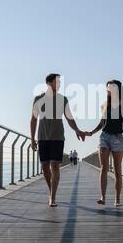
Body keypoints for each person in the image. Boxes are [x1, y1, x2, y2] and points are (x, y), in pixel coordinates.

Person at [30, 74, 86, 207]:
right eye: (57, 81)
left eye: (60, 81)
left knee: (55, 166)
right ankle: (51, 192)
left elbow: (69, 118)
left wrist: (77, 130)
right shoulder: (38, 99)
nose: (59, 84)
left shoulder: (63, 99)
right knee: (45, 167)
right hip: (42, 137)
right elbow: (33, 120)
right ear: (49, 83)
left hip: (58, 137)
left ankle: (52, 197)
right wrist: (32, 139)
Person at [85, 80, 123, 207]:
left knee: (118, 171)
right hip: (104, 137)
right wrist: (91, 132)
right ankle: (102, 197)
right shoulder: (104, 105)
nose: (108, 89)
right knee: (104, 168)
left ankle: (117, 199)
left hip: (118, 137)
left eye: (111, 87)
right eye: (107, 87)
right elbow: (102, 123)